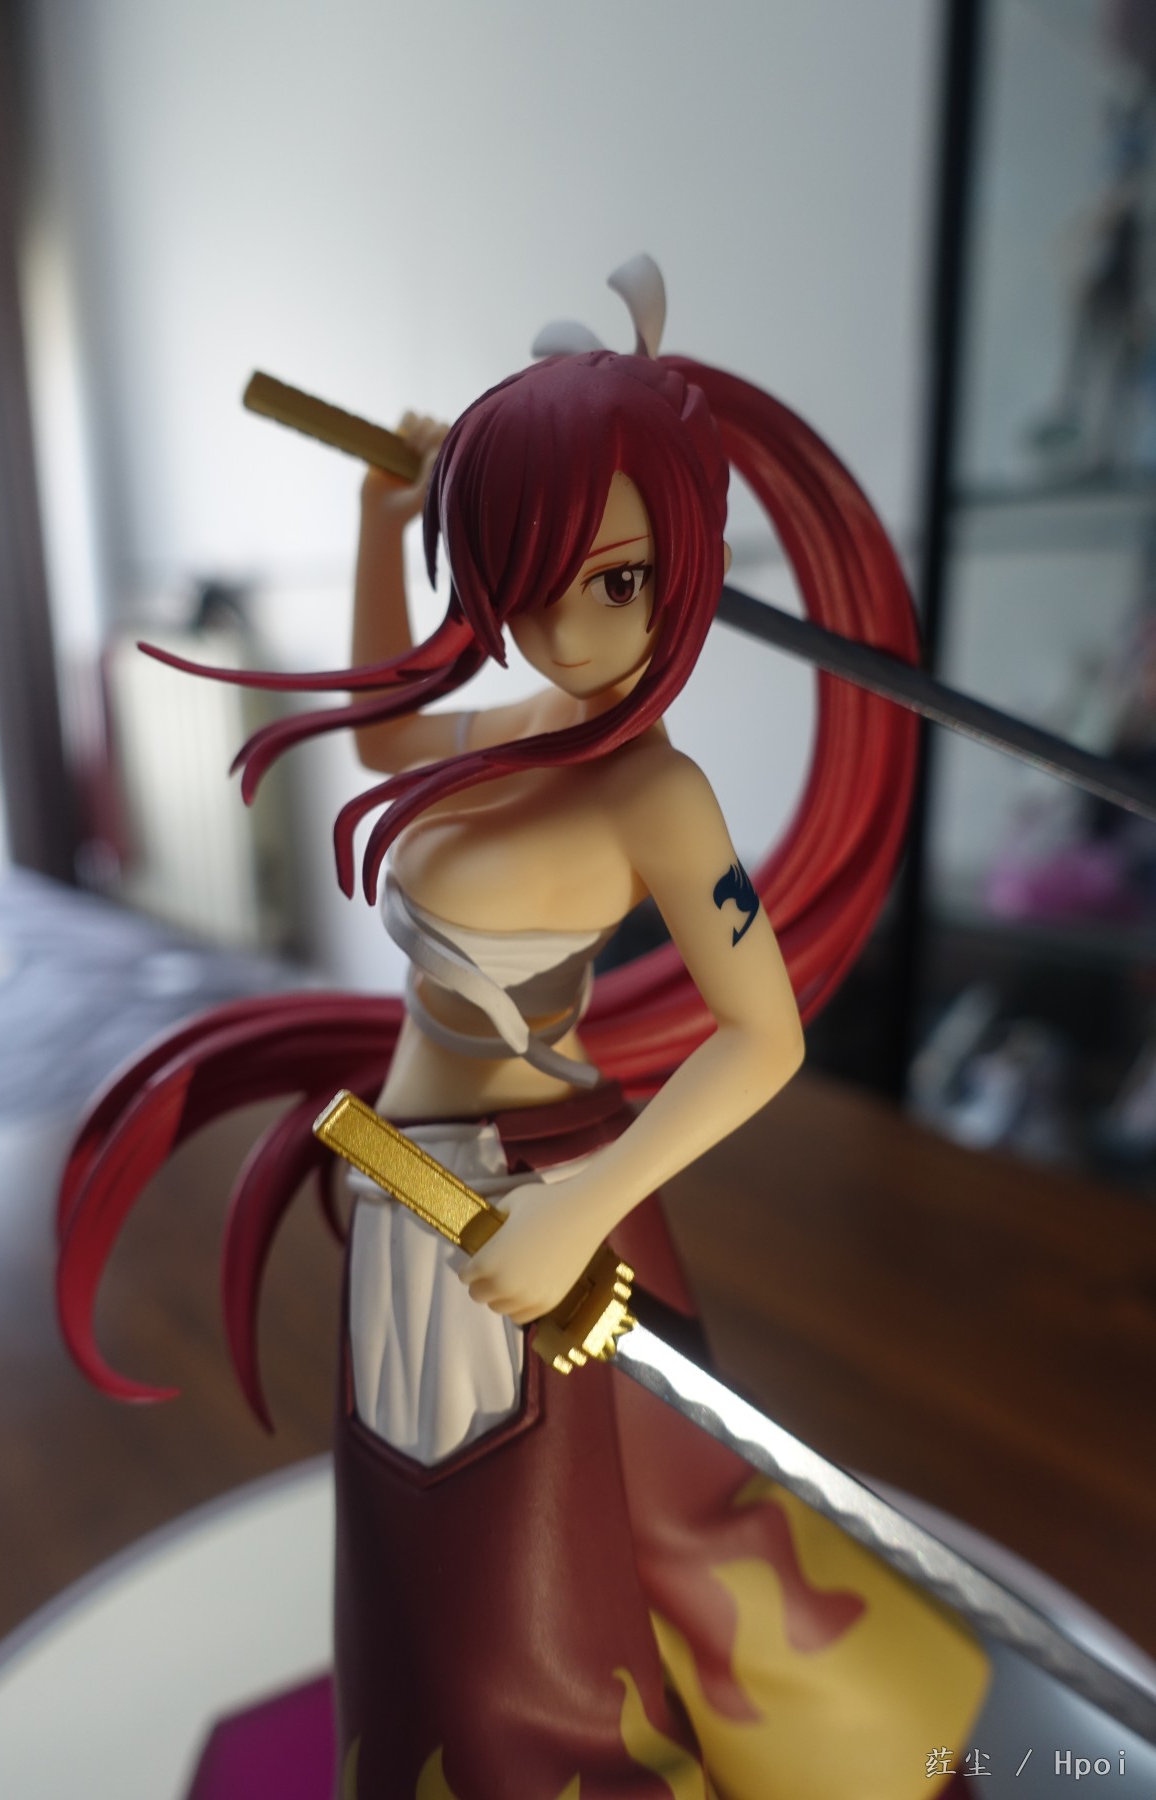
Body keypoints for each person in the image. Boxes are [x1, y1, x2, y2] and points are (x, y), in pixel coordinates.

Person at [58, 261, 987, 1798]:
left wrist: (576, 1208)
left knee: (539, 1585)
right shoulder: (518, 730)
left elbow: (762, 1039)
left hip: (536, 1200)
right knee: (436, 1565)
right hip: (413, 1189)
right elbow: (384, 730)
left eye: (610, 580)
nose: (560, 622)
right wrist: (382, 521)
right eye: (525, 573)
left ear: (679, 572)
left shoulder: (657, 798)